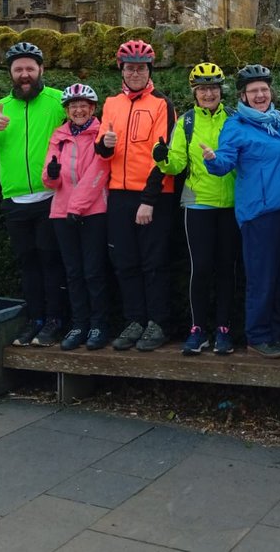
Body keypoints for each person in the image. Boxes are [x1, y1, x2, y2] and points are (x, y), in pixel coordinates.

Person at [202, 64, 280, 358]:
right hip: (260, 213)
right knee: (263, 277)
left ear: (271, 92)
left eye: (264, 89)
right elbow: (224, 163)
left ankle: (276, 334)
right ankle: (258, 336)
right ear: (244, 97)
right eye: (253, 91)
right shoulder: (236, 126)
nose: (260, 95)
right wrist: (212, 159)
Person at [0, 41, 68, 346]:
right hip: (14, 200)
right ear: (11, 73)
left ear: (41, 69)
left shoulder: (57, 101)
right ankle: (35, 320)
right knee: (28, 264)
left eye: (30, 68)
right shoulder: (1, 107)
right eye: (18, 69)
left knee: (51, 261)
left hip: (51, 197)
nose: (24, 74)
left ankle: (55, 320)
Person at [153, 62, 242, 355]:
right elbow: (177, 164)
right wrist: (163, 159)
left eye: (213, 88)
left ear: (221, 90)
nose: (208, 93)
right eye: (202, 89)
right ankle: (198, 329)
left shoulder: (234, 118)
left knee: (226, 269)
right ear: (194, 92)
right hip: (198, 203)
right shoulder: (186, 122)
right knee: (201, 268)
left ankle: (224, 329)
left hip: (230, 202)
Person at [96, 39, 177, 351]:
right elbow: (101, 150)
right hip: (118, 193)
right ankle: (135, 320)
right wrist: (106, 144)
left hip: (153, 195)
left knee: (153, 262)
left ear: (149, 70)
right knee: (125, 261)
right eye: (130, 68)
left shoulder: (161, 104)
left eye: (141, 68)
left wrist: (149, 199)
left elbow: (165, 154)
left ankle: (158, 322)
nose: (135, 73)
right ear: (121, 70)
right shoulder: (112, 103)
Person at [42, 83, 111, 351]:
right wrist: (52, 173)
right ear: (67, 110)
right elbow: (48, 181)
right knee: (73, 273)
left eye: (84, 106)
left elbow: (98, 174)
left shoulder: (101, 135)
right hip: (61, 212)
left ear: (93, 109)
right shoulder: (58, 136)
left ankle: (98, 324)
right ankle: (79, 324)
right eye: (74, 106)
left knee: (93, 272)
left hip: (92, 212)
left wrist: (77, 208)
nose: (79, 110)